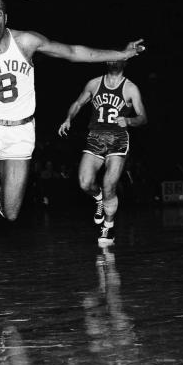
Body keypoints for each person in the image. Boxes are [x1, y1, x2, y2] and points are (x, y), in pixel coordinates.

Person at [0, 0, 145, 285]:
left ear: (6, 18)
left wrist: (121, 54)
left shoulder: (26, 42)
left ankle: (0, 184)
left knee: (11, 213)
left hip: (21, 133)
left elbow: (72, 51)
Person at [58, 60, 147, 244]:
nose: (114, 61)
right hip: (95, 138)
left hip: (118, 140)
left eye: (118, 58)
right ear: (107, 61)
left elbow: (143, 117)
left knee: (109, 185)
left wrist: (130, 121)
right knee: (84, 183)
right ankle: (98, 198)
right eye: (111, 58)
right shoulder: (94, 83)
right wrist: (68, 119)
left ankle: (108, 226)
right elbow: (77, 103)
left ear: (125, 62)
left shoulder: (130, 88)